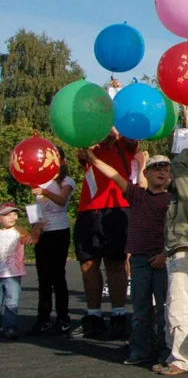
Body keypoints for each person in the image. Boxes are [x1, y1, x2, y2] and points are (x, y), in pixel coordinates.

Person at [84, 150, 174, 367]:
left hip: (163, 260)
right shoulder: (137, 195)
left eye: (166, 169)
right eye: (156, 168)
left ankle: (166, 352)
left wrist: (164, 254)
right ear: (146, 173)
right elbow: (114, 175)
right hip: (140, 261)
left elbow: (176, 231)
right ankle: (141, 350)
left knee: (165, 310)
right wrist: (94, 159)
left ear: (171, 176)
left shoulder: (173, 200)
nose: (161, 172)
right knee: (141, 309)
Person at [154, 119, 188, 377]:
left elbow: (177, 166)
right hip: (178, 254)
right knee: (171, 308)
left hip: (186, 254)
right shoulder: (184, 195)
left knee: (180, 308)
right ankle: (173, 354)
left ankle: (184, 359)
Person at [72, 128, 137, 339]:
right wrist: (96, 136)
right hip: (88, 209)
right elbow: (83, 154)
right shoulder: (91, 144)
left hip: (117, 207)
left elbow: (133, 137)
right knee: (87, 263)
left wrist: (116, 132)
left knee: (116, 263)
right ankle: (94, 317)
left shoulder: (125, 142)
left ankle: (118, 316)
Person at [28, 152, 76, 336]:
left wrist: (45, 191)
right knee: (43, 277)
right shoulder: (39, 181)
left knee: (58, 276)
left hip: (59, 231)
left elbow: (62, 200)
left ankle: (63, 318)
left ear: (62, 161)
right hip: (43, 232)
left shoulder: (67, 181)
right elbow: (35, 206)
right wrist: (34, 225)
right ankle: (43, 318)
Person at [0, 202, 42, 339]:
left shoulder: (20, 230)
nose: (13, 217)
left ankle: (9, 327)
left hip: (13, 273)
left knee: (12, 301)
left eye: (15, 214)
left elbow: (32, 240)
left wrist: (36, 228)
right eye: (8, 214)